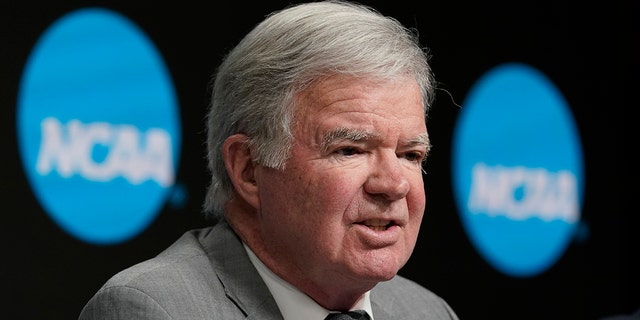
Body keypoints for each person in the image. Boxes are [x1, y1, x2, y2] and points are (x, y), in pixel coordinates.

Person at [79, 1, 459, 319]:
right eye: (350, 150)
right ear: (249, 170)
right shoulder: (152, 310)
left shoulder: (428, 312)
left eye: (411, 155)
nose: (395, 184)